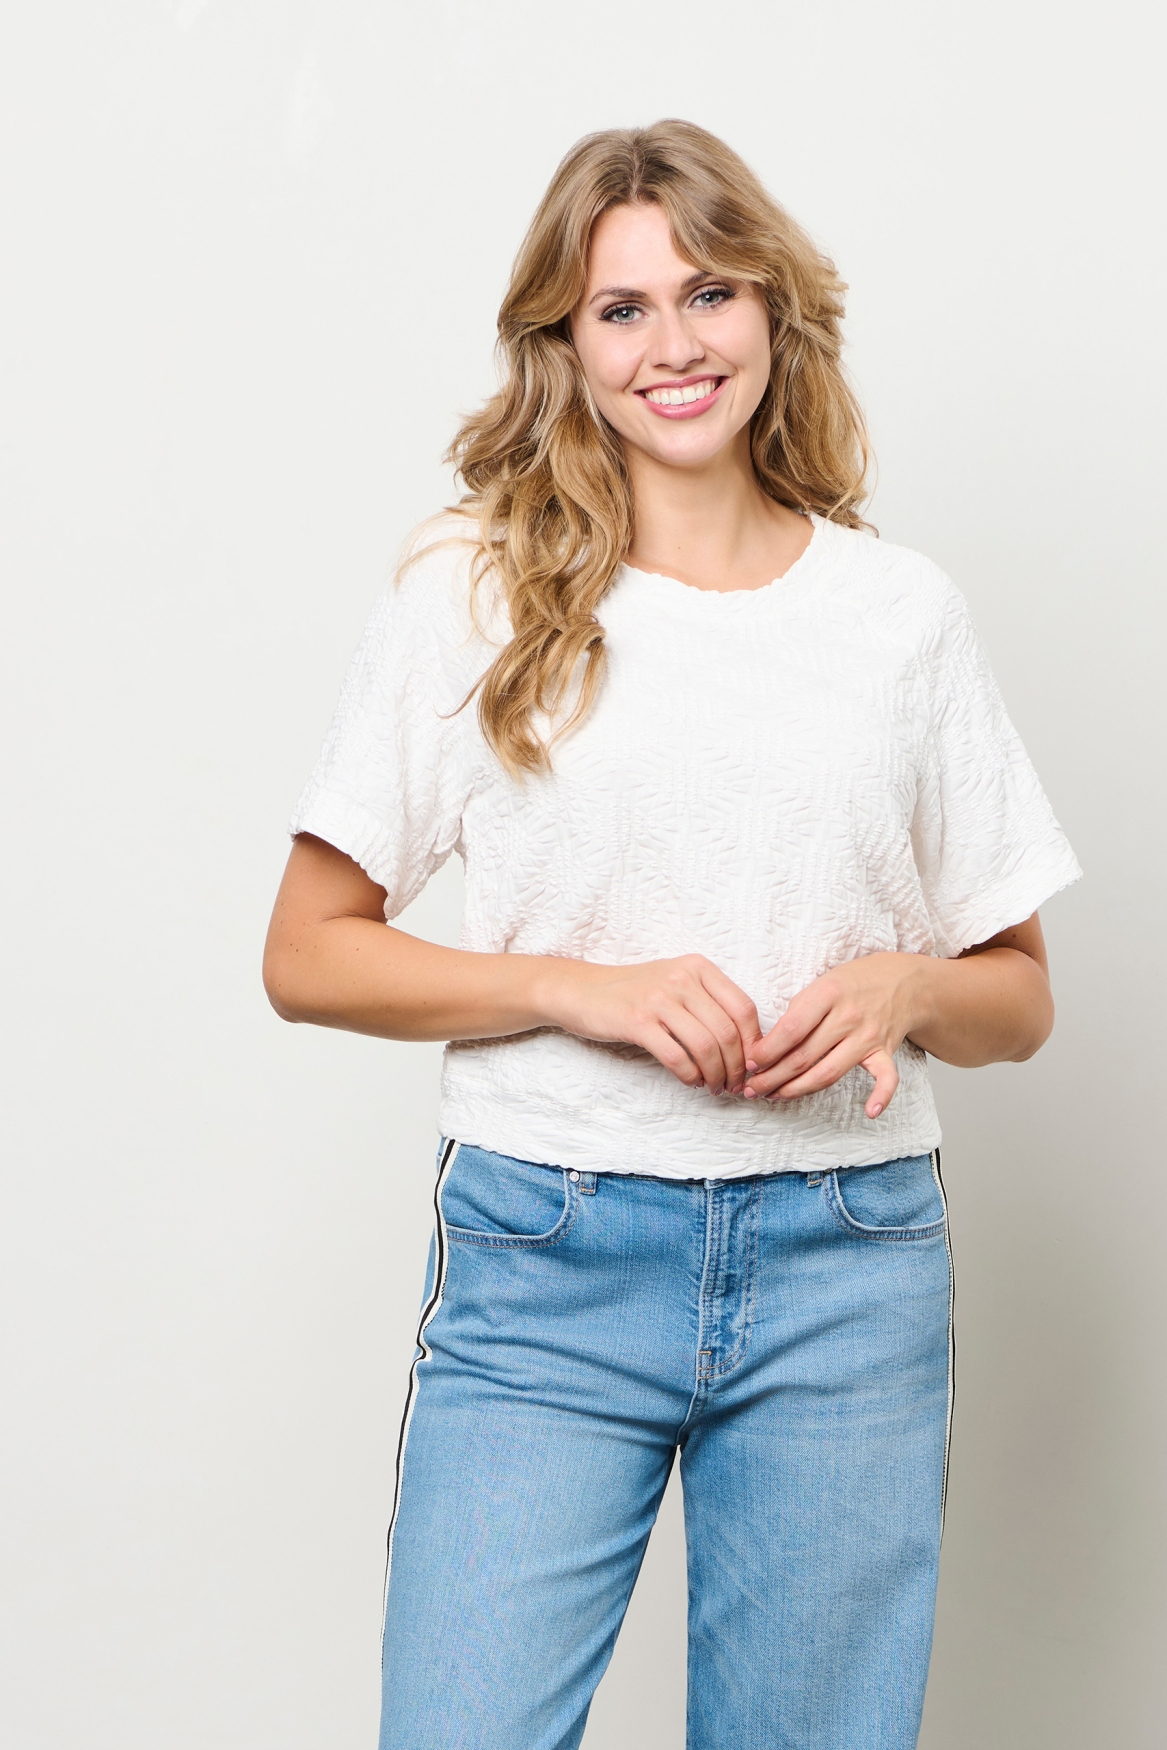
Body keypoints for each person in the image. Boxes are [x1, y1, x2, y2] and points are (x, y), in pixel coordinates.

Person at [263, 120, 1080, 1750]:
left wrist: (909, 985)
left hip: (847, 1259)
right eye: (620, 308)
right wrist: (575, 989)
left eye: (708, 293)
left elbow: (1019, 1001)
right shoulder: (478, 593)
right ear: (565, 345)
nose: (673, 344)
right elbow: (308, 950)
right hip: (549, 1251)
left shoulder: (896, 618)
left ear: (772, 309)